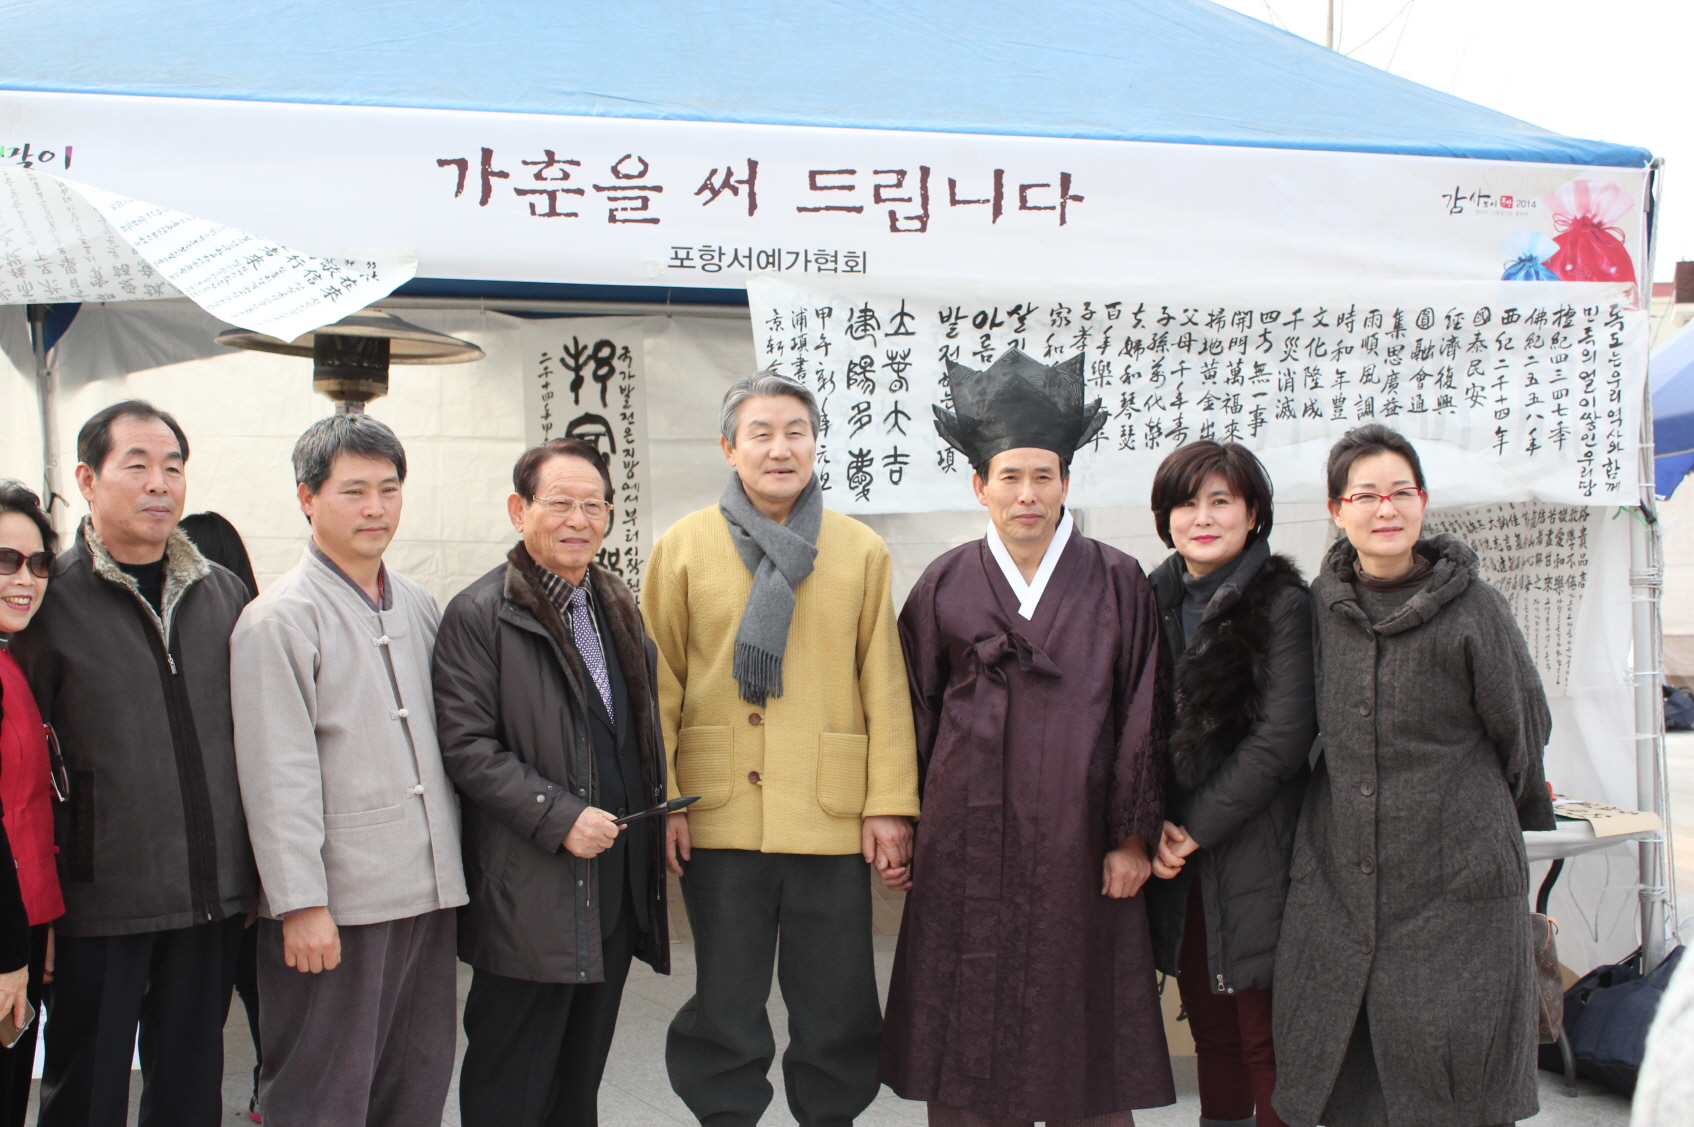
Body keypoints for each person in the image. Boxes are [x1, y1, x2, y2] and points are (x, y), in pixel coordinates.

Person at [881, 348, 1173, 1126]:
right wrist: (904, 822)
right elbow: (911, 711)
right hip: (966, 843)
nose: (1027, 493)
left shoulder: (1118, 580)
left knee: (1082, 1038)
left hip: (1083, 843)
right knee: (968, 1037)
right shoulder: (945, 582)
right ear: (980, 485)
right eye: (1009, 476)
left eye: (1044, 476)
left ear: (1067, 482)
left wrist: (1131, 837)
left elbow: (1143, 711)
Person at [642, 371, 919, 1127]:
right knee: (725, 999)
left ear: (815, 444)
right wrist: (664, 802)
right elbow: (656, 686)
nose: (779, 448)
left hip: (829, 810)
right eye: (760, 433)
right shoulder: (683, 545)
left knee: (837, 1000)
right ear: (728, 447)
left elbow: (884, 682)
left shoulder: (859, 549)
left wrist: (890, 803)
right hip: (718, 808)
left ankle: (831, 1115)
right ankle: (724, 1115)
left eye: (796, 432)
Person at [1271, 424, 1554, 1127]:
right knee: (1352, 1067)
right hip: (1343, 875)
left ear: (1423, 501)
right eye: (1365, 494)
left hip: (1458, 877)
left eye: (1401, 491)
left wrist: (1489, 820)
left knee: (1455, 1073)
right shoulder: (1318, 606)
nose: (1385, 508)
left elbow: (1523, 728)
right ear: (1337, 510)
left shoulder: (1475, 607)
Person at [9, 400, 257, 1127]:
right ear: (87, 479)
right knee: (85, 1095)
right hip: (97, 905)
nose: (159, 484)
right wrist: (36, 914)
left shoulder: (222, 592)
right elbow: (23, 770)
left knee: (189, 1094)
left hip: (210, 899)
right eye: (138, 465)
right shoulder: (50, 599)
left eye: (173, 468)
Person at [230, 415, 466, 1127]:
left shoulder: (419, 602)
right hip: (339, 902)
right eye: (354, 490)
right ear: (307, 498)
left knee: (415, 1081)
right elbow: (277, 774)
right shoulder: (279, 618)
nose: (376, 508)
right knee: (322, 1091)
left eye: (389, 489)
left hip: (426, 889)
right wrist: (300, 902)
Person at [433, 437, 671, 1127]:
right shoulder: (482, 612)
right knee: (511, 1081)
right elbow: (466, 746)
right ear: (519, 510)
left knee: (578, 1080)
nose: (579, 520)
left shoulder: (614, 601)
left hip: (613, 884)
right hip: (529, 894)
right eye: (560, 503)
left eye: (593, 505)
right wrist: (559, 815)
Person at [1140, 443, 1314, 1127]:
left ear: (1253, 513)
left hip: (1258, 847)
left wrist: (1194, 829)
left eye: (1221, 501)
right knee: (1210, 1030)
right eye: (1187, 503)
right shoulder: (1148, 597)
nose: (1203, 518)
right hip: (1174, 854)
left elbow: (1281, 739)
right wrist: (1150, 822)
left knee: (1265, 1035)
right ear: (1165, 516)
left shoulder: (1282, 603)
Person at [177, 510, 264, 1124]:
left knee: (191, 1014)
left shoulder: (197, 642)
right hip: (256, 860)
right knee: (266, 997)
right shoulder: (260, 624)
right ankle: (268, 1093)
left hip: (205, 871)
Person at [0, 482, 66, 1126]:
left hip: (23, 925)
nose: (25, 578)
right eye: (6, 560)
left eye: (39, 562)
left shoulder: (13, 659)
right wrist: (9, 954)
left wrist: (35, 935)